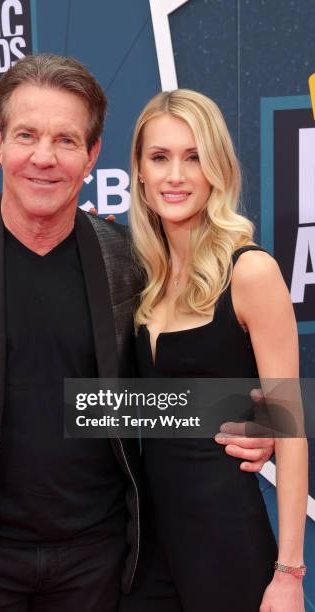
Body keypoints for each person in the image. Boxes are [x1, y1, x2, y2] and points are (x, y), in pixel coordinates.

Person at [0, 55, 274, 612]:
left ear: (92, 155)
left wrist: (267, 418)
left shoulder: (127, 258)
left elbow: (136, 397)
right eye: (27, 135)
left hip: (99, 562)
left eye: (66, 140)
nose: (44, 158)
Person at [120, 89, 308, 612]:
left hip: (226, 542)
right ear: (138, 170)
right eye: (159, 157)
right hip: (145, 551)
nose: (175, 175)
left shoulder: (251, 272)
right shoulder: (138, 277)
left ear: (217, 168)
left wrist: (289, 574)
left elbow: (290, 431)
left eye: (194, 156)